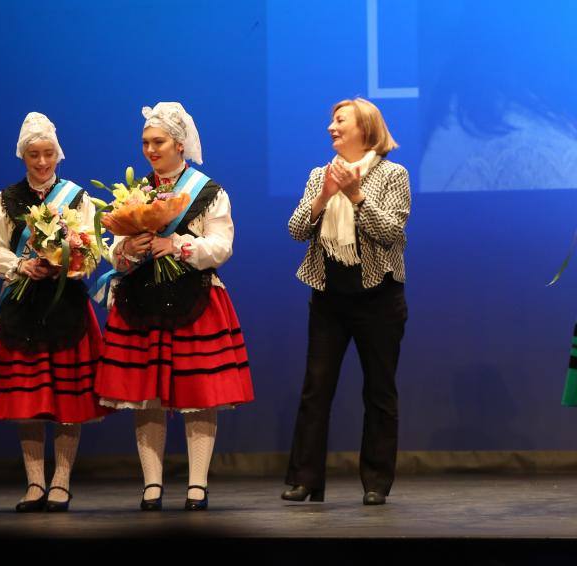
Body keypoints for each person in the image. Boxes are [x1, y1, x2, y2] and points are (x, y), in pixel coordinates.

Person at [94, 102, 254, 511]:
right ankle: (152, 484)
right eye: (145, 142)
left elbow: (221, 246)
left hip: (194, 300)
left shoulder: (209, 192)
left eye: (158, 142)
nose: (150, 149)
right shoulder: (135, 193)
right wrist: (128, 248)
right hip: (142, 301)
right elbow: (113, 252)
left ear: (180, 145)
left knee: (197, 394)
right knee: (146, 395)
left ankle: (197, 484)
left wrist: (177, 245)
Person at [0, 112, 109, 512]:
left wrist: (68, 264)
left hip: (65, 305)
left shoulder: (77, 198)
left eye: (48, 153)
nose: (41, 162)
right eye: (33, 155)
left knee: (67, 400)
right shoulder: (3, 200)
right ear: (22, 155)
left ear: (58, 153)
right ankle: (35, 483)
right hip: (21, 306)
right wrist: (21, 266)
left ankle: (61, 481)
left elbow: (92, 251)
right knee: (29, 400)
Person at [283, 97, 410, 505]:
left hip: (378, 298)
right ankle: (306, 479)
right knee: (315, 389)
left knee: (379, 391)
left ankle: (376, 481)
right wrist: (323, 198)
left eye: (340, 121)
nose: (331, 128)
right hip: (328, 298)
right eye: (331, 122)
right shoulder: (319, 174)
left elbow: (390, 232)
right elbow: (296, 229)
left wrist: (355, 196)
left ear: (365, 129)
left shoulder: (393, 175)